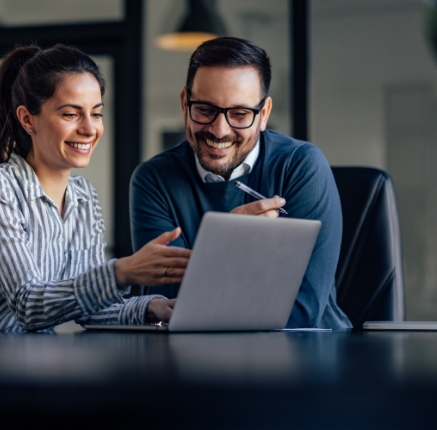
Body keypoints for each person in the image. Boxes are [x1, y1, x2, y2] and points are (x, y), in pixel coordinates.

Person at [0, 44, 190, 336]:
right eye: (71, 114)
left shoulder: (84, 197)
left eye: (96, 114)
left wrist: (153, 308)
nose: (90, 129)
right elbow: (28, 305)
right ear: (27, 119)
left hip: (22, 365)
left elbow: (89, 306)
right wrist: (122, 272)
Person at [130, 37, 352, 329]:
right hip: (198, 360)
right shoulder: (153, 180)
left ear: (264, 114)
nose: (219, 130)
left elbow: (303, 307)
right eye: (205, 110)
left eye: (239, 114)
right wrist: (228, 245)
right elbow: (172, 306)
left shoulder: (302, 166)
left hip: (309, 353)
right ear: (185, 103)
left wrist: (212, 273)